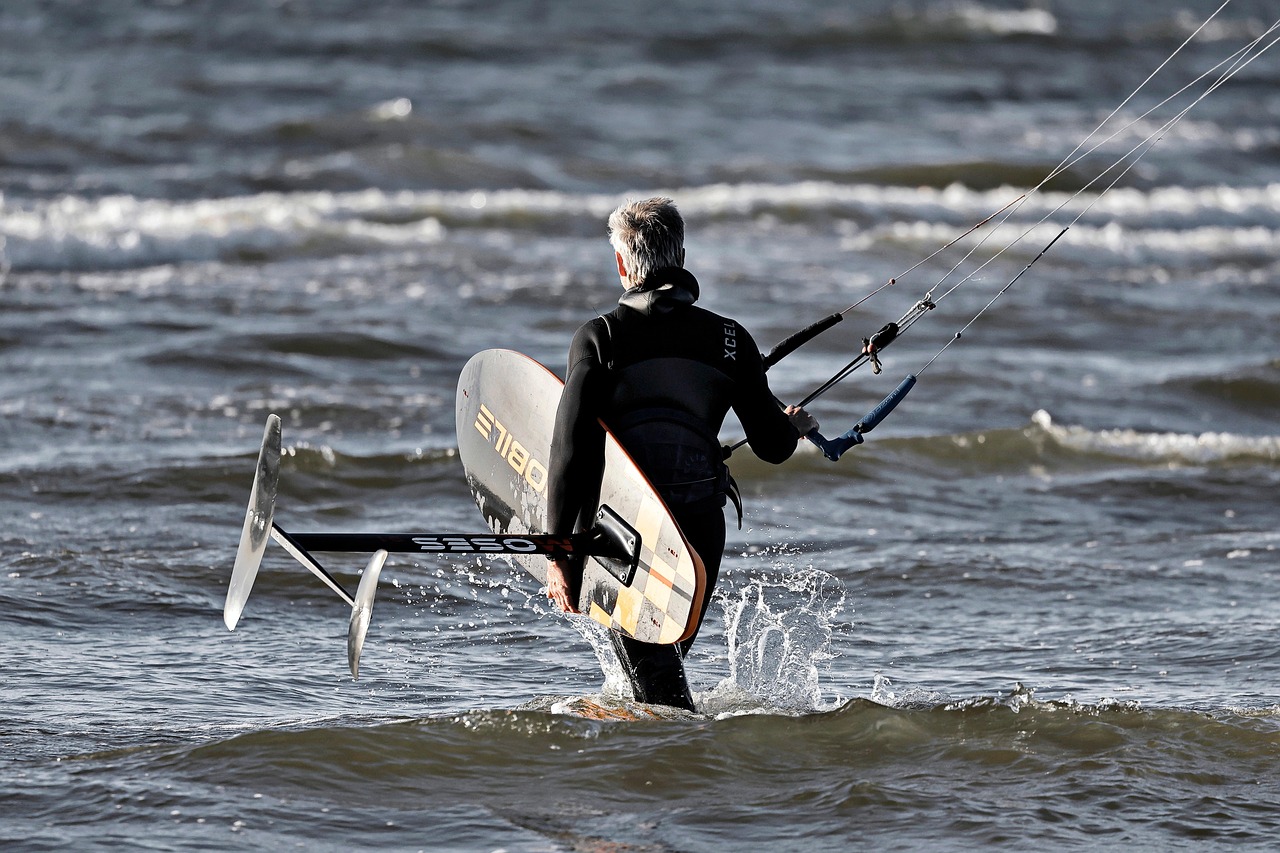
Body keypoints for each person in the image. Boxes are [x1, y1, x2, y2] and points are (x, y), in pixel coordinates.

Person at [545, 197, 817, 711]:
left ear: (623, 264)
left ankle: (690, 772)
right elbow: (773, 447)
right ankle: (675, 773)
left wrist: (558, 550)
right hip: (697, 535)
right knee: (655, 676)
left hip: (623, 533)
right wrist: (792, 426)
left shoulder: (599, 338)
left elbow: (569, 450)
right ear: (683, 257)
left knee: (659, 690)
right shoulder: (731, 339)